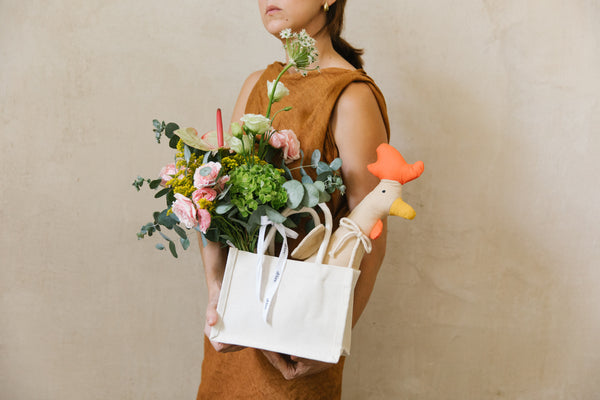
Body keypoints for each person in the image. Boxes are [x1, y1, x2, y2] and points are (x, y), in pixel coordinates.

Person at [196, 1, 390, 398]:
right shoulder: (255, 85)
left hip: (299, 338)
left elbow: (371, 228)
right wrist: (217, 292)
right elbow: (218, 204)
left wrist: (332, 338)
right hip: (235, 327)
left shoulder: (351, 96)